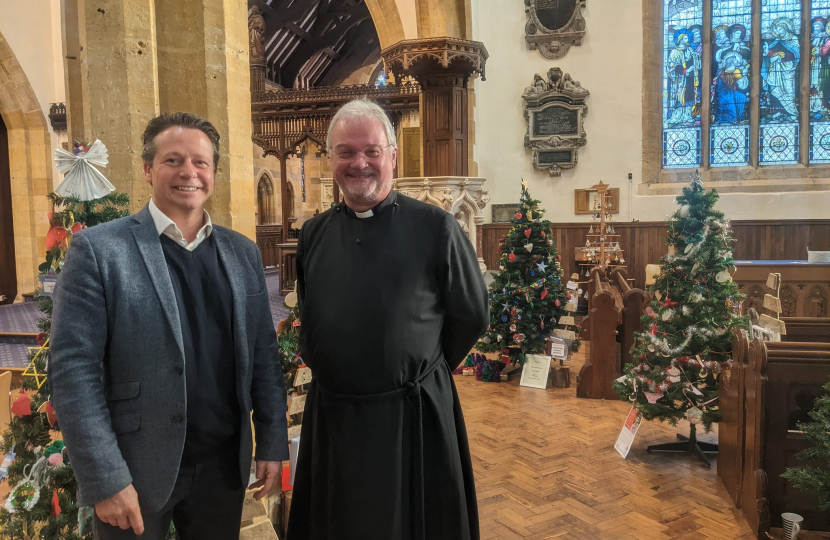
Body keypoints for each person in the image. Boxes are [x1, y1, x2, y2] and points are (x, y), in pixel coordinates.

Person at [50, 112, 289, 539]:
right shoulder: (101, 250)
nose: (189, 172)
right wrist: (106, 478)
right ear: (147, 169)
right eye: (173, 160)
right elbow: (74, 372)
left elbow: (264, 356)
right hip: (135, 469)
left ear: (213, 172)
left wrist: (271, 441)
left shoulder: (242, 253)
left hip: (222, 466)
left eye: (201, 162)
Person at [288, 98, 489, 540]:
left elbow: (472, 314)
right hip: (335, 417)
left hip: (409, 416)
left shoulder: (437, 228)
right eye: (346, 152)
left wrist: (416, 366)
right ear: (331, 158)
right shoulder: (314, 233)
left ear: (392, 156)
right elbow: (312, 311)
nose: (360, 163)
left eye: (371, 151)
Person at [762, 18, 800, 121]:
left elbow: (796, 54)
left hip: (788, 68)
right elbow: (770, 54)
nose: (778, 32)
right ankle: (778, 111)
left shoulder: (794, 39)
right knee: (776, 88)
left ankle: (792, 112)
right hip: (776, 68)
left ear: (785, 28)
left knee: (789, 90)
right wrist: (767, 52)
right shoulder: (776, 41)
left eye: (779, 29)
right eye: (776, 30)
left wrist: (782, 57)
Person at [666, 28, 701, 125]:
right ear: (680, 40)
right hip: (679, 81)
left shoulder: (689, 50)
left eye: (688, 38)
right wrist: (686, 70)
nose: (688, 40)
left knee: (689, 97)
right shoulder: (675, 52)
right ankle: (678, 116)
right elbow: (672, 66)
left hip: (690, 79)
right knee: (680, 98)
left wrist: (697, 57)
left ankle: (688, 116)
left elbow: (694, 58)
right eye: (685, 39)